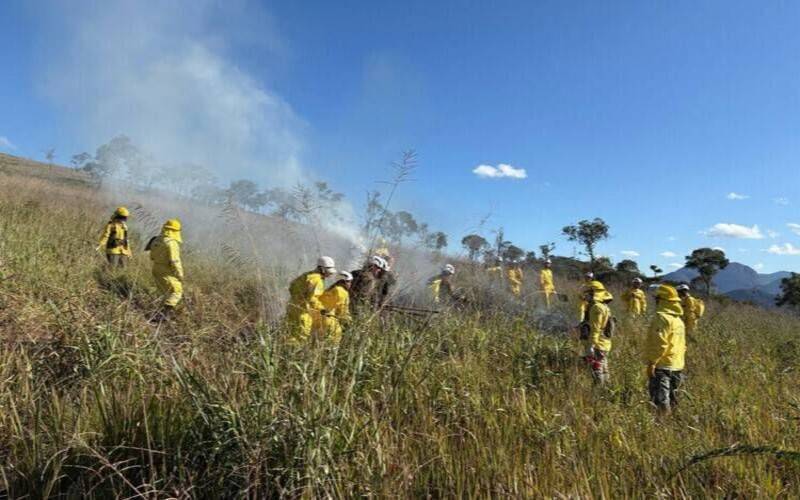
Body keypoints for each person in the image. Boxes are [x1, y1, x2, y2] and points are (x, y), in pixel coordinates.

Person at [643, 284, 686, 414]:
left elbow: (660, 344)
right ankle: (673, 421)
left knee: (660, 400)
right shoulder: (678, 320)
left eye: (656, 298)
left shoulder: (661, 318)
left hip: (662, 365)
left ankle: (662, 422)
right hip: (677, 365)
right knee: (673, 398)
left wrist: (652, 363)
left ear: (661, 300)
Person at [286, 256, 336, 343]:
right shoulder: (317, 280)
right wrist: (323, 309)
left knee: (288, 332)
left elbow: (291, 287)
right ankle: (292, 350)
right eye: (328, 271)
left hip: (291, 307)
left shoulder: (307, 275)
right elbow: (312, 300)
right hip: (302, 312)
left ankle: (284, 348)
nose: (330, 274)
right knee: (300, 337)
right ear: (322, 269)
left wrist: (298, 298)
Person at [147, 219, 184, 319]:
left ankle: (158, 314)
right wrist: (180, 274)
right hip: (166, 270)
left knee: (167, 293)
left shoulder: (156, 239)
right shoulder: (172, 243)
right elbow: (175, 261)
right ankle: (164, 315)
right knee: (177, 292)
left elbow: (151, 256)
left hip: (156, 268)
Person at [579, 280, 613, 384]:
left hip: (598, 344)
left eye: (587, 293)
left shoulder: (596, 307)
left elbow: (596, 328)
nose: (585, 296)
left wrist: (591, 345)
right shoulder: (603, 306)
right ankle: (606, 388)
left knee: (596, 368)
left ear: (593, 293)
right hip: (603, 343)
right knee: (604, 367)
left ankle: (599, 389)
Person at [317, 271, 353, 343]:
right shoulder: (342, 292)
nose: (350, 284)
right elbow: (343, 312)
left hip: (317, 319)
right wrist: (350, 321)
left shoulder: (328, 290)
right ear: (343, 282)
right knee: (333, 342)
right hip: (329, 320)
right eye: (349, 281)